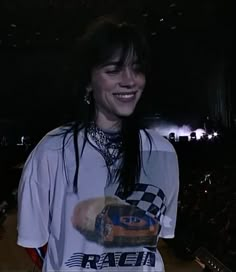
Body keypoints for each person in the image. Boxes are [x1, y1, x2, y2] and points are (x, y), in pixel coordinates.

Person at [17, 16, 179, 272]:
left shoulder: (163, 152)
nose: (129, 80)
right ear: (88, 81)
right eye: (113, 69)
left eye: (136, 68)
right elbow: (34, 244)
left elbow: (157, 240)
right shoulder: (52, 151)